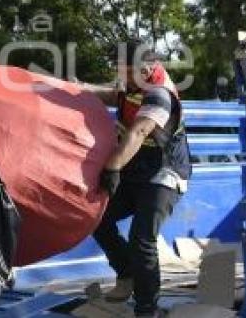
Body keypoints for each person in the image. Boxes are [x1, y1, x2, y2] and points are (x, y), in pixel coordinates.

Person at [82, 40, 191, 317]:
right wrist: (76, 89)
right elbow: (111, 95)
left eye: (128, 71)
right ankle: (127, 273)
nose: (124, 76)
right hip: (136, 168)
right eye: (121, 70)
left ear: (147, 67)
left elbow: (139, 133)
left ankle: (147, 308)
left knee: (142, 238)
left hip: (164, 171)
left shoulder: (159, 94)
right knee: (96, 216)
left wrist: (112, 167)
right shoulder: (132, 83)